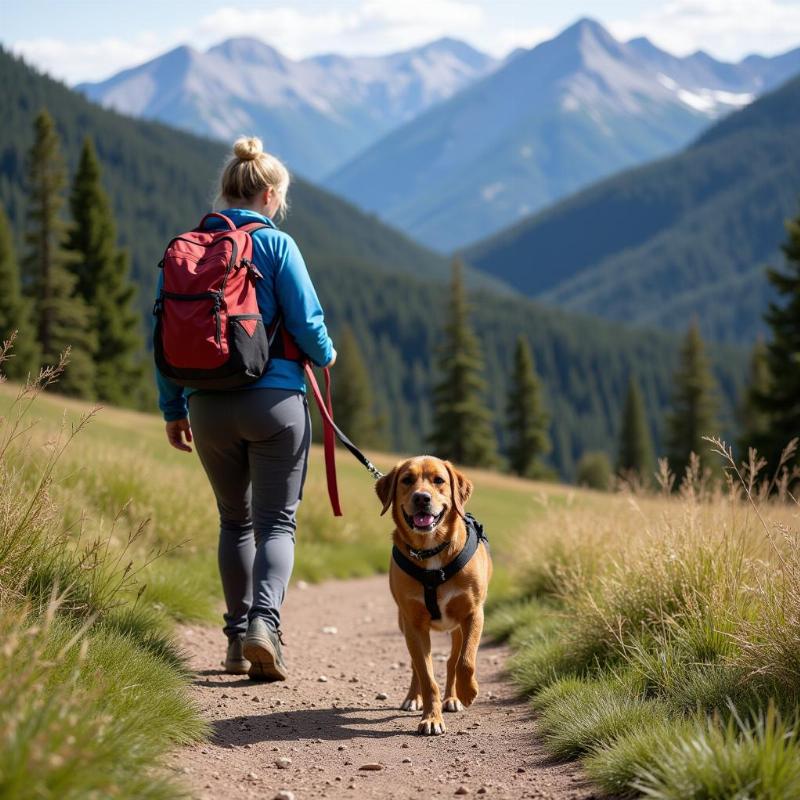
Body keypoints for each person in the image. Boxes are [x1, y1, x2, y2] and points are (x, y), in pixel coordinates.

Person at [155, 136, 336, 681]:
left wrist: (173, 408)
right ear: (271, 194)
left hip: (206, 405)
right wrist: (325, 354)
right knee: (276, 523)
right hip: (275, 402)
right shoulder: (277, 246)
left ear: (226, 189)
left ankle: (235, 643)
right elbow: (307, 323)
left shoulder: (185, 250)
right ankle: (265, 624)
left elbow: (162, 336)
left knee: (234, 522)